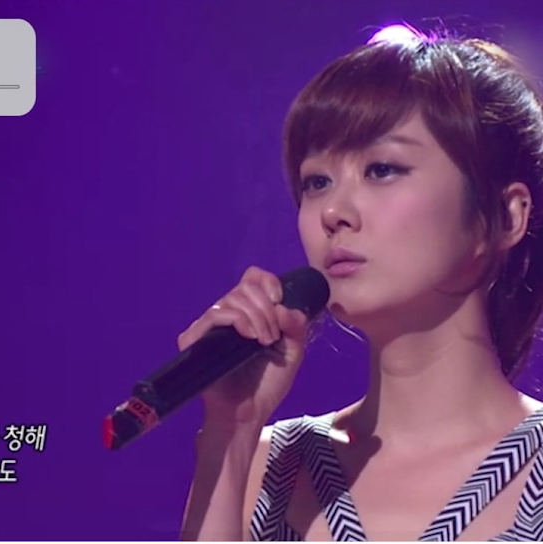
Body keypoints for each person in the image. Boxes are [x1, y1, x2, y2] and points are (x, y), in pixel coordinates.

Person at [177, 23, 543, 542]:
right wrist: (229, 435)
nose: (333, 212)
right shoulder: (268, 469)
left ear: (505, 216)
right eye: (317, 181)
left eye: (382, 169)